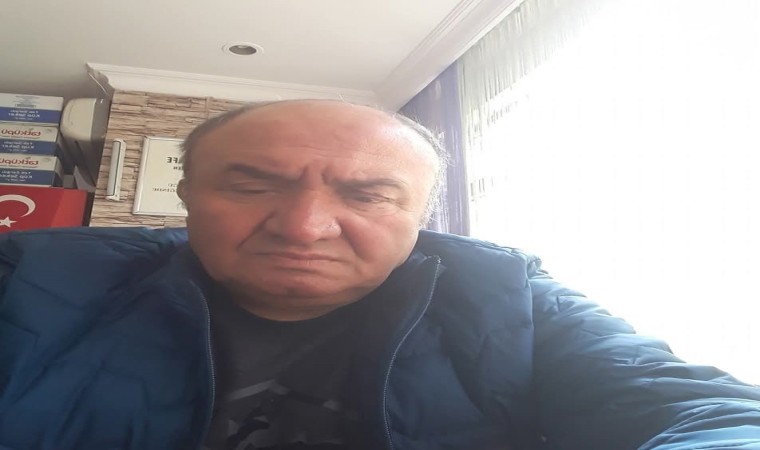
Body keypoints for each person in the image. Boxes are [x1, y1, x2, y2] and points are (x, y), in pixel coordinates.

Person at [0, 100, 758, 450]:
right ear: (187, 195)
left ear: (422, 216)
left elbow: (697, 410)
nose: (304, 226)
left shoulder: (508, 297)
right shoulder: (33, 276)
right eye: (252, 184)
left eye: (367, 196)